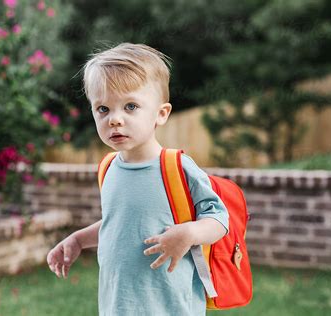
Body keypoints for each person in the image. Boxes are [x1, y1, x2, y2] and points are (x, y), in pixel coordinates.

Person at [46, 42, 229, 315]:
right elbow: (120, 225)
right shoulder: (109, 168)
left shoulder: (177, 167)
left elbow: (219, 219)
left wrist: (190, 233)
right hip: (118, 305)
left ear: (161, 113)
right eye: (103, 109)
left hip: (171, 306)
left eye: (130, 106)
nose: (114, 119)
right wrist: (79, 240)